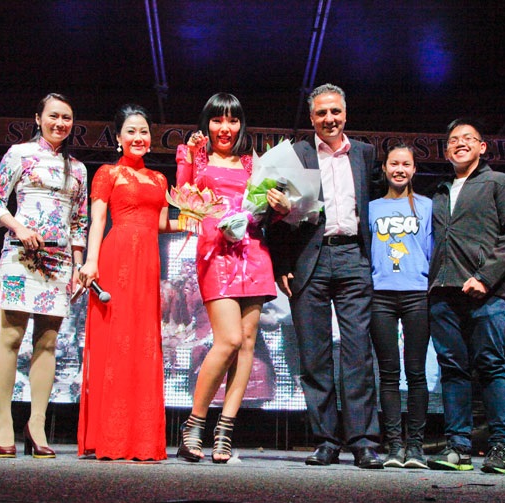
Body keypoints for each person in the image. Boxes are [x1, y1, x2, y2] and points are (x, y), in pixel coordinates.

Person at [267, 83, 384, 469]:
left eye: (335, 112)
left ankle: (363, 441)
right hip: (307, 260)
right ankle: (326, 440)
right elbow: (273, 215)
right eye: (321, 113)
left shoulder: (365, 153)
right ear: (312, 117)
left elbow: (377, 205)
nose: (329, 119)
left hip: (353, 257)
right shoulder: (294, 155)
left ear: (345, 113)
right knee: (314, 355)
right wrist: (281, 262)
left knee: (357, 354)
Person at [175, 93, 286, 463]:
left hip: (253, 253)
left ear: (241, 124)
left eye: (233, 120)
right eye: (218, 120)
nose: (226, 128)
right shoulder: (194, 156)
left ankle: (224, 433)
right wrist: (190, 159)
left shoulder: (253, 163)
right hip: (215, 253)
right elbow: (186, 202)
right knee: (228, 339)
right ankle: (193, 425)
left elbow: (266, 214)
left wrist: (278, 207)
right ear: (207, 123)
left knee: (247, 344)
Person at [0, 92, 88, 459]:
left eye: (67, 118)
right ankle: (3, 423)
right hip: (20, 257)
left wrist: (78, 265)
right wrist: (18, 227)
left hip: (59, 265)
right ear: (38, 118)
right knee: (11, 336)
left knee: (48, 344)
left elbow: (79, 222)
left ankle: (37, 423)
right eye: (54, 116)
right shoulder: (19, 154)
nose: (60, 123)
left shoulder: (77, 169)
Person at [77, 104, 180, 461]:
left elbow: (163, 224)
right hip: (116, 256)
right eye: (131, 131)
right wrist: (90, 262)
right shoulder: (107, 173)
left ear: (151, 140)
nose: (139, 137)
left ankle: (139, 437)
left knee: (143, 341)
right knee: (116, 342)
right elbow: (98, 219)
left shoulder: (159, 180)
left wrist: (196, 220)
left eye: (144, 132)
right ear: (119, 139)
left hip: (148, 264)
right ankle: (110, 436)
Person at [427, 118, 505, 474]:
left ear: (482, 147)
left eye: (468, 138)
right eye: (453, 139)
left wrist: (484, 277)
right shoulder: (440, 191)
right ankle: (458, 447)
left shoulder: (501, 183)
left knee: (490, 365)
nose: (460, 143)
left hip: (486, 293)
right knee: (453, 371)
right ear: (446, 150)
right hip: (442, 293)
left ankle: (502, 447)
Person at [368, 144, 432, 469]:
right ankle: (395, 447)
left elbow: (434, 252)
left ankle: (416, 448)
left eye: (406, 164)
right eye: (394, 163)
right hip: (380, 295)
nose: (400, 169)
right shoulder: (371, 208)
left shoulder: (428, 207)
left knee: (417, 373)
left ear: (414, 169)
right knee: (389, 374)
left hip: (417, 295)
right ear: (385, 168)